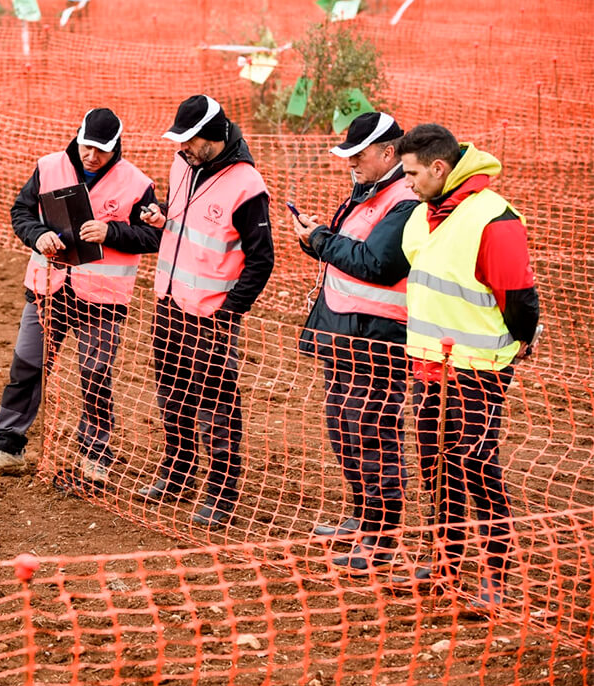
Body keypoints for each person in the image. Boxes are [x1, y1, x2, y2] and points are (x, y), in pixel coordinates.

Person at [0, 108, 162, 483]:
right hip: (48, 289)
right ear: (78, 136)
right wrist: (36, 235)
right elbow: (21, 211)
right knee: (26, 366)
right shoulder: (49, 166)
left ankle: (95, 455)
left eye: (101, 150)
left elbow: (154, 236)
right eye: (87, 146)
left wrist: (113, 233)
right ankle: (8, 448)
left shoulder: (137, 184)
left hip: (102, 298)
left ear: (116, 147)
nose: (92, 155)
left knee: (95, 374)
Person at [396, 124, 540, 610]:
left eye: (413, 173)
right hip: (429, 368)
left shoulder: (494, 218)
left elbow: (520, 299)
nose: (407, 182)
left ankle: (494, 577)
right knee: (435, 468)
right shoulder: (421, 216)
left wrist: (519, 344)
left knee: (477, 468)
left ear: (439, 168)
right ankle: (444, 566)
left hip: (480, 371)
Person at [290, 112, 420, 572]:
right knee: (344, 427)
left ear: (388, 153)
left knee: (373, 433)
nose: (349, 162)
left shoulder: (404, 200)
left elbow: (377, 264)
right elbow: (351, 252)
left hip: (378, 339)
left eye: (357, 153)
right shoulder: (369, 193)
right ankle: (361, 517)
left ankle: (380, 541)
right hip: (344, 332)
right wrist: (316, 240)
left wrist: (322, 240)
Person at [137, 95, 274, 527]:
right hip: (169, 303)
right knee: (172, 395)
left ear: (211, 139)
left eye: (188, 140)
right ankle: (176, 474)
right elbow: (182, 220)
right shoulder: (183, 166)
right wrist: (161, 217)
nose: (181, 148)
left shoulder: (248, 185)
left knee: (217, 405)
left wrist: (231, 310)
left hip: (212, 314)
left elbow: (262, 259)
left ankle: (221, 491)